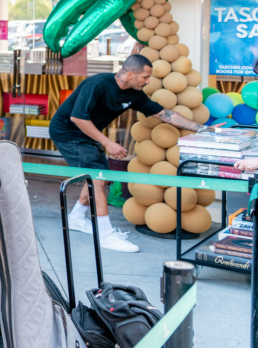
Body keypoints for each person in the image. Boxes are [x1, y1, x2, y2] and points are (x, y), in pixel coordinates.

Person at [49, 53, 205, 253]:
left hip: (88, 134)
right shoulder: (97, 84)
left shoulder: (134, 94)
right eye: (145, 77)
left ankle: (76, 218)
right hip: (68, 132)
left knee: (102, 178)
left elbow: (164, 114)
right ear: (131, 75)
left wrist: (202, 129)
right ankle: (105, 235)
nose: (148, 82)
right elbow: (78, 118)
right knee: (97, 179)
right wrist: (108, 143)